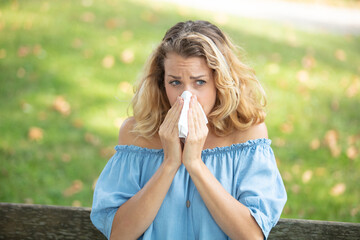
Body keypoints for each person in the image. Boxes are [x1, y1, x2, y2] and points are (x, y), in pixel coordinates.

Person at [90, 20, 287, 240]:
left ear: (220, 82)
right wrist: (169, 163)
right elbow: (120, 235)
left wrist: (195, 164)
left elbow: (252, 236)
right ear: (161, 83)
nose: (186, 96)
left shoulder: (247, 134)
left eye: (199, 82)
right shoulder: (136, 133)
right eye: (175, 83)